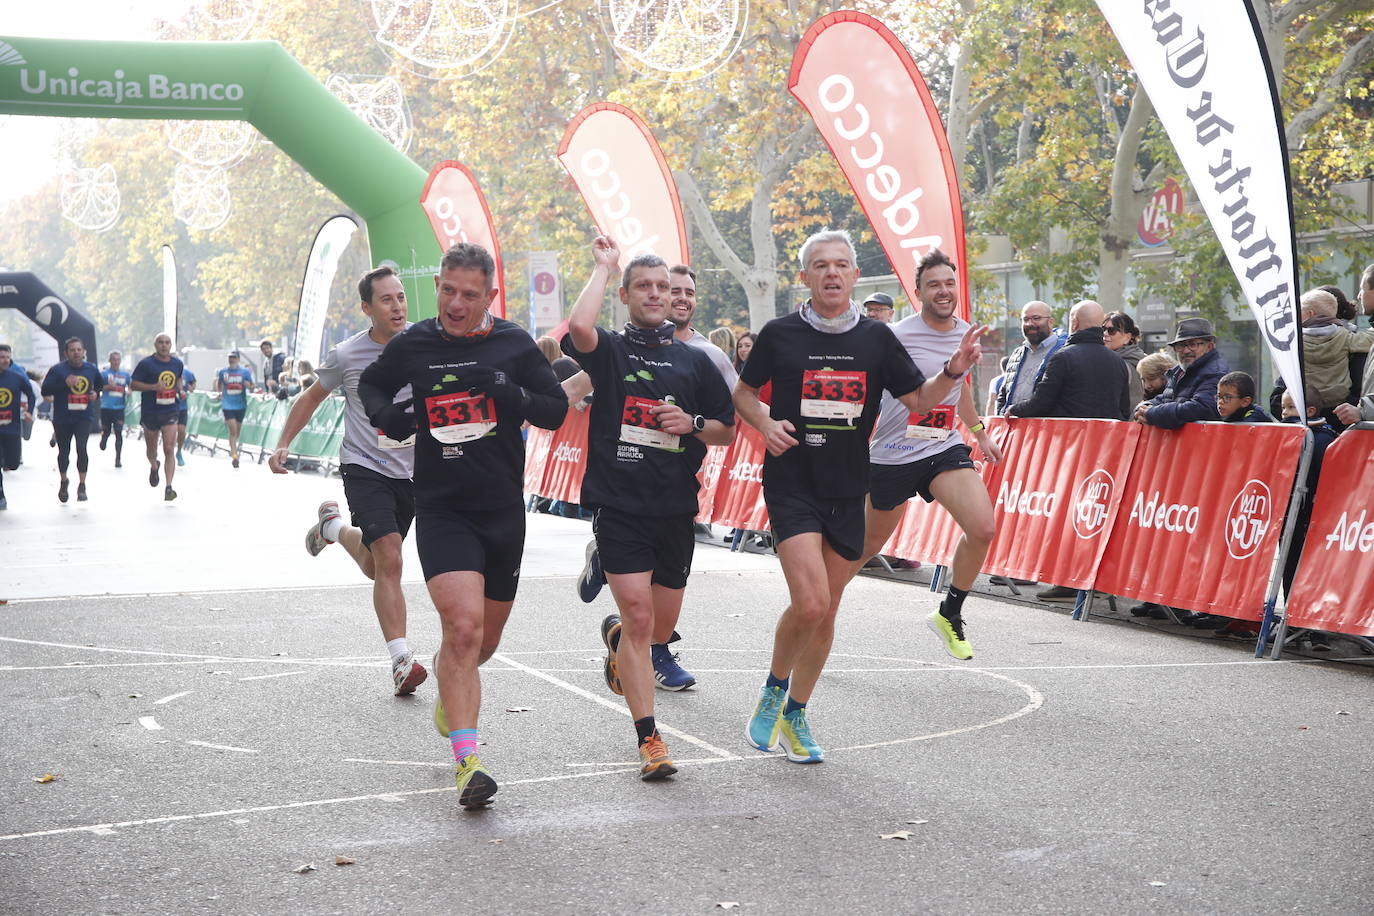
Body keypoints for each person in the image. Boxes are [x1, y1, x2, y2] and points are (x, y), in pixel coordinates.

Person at [734, 229, 986, 763]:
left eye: (842, 265)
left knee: (825, 613)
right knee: (813, 601)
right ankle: (774, 689)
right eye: (820, 265)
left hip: (850, 487)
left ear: (854, 275)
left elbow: (918, 400)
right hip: (793, 482)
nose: (831, 273)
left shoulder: (875, 339)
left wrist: (954, 372)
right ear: (804, 277)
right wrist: (763, 422)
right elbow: (743, 392)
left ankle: (797, 713)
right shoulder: (779, 334)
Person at [358, 242, 567, 809]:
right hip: (443, 508)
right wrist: (387, 414)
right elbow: (372, 385)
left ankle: (453, 698)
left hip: (501, 511)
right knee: (463, 629)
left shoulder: (515, 343)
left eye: (468, 295)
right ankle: (467, 762)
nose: (454, 303)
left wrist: (508, 391)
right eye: (447, 290)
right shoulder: (416, 343)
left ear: (489, 297)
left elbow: (554, 410)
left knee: (485, 642)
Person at [563, 236, 736, 779]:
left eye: (664, 287)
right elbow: (577, 330)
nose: (657, 294)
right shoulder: (612, 351)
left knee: (657, 628)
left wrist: (694, 425)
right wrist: (602, 267)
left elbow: (727, 430)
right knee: (641, 618)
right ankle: (650, 738)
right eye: (645, 286)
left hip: (675, 508)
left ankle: (617, 639)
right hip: (620, 503)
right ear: (627, 295)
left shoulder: (696, 360)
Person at [270, 266, 425, 698]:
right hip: (365, 465)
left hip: (414, 469)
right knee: (390, 558)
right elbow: (311, 397)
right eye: (386, 300)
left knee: (378, 566)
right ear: (366, 308)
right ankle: (401, 660)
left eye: (400, 297)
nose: (397, 306)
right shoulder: (347, 354)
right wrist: (283, 442)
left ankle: (332, 529)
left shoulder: (425, 342)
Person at [858, 248, 1003, 649]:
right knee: (867, 546)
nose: (943, 290)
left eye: (949, 283)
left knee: (983, 528)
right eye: (933, 284)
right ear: (918, 292)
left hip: (942, 447)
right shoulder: (896, 336)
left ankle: (950, 612)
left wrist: (979, 433)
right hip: (892, 452)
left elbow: (960, 390)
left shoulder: (965, 333)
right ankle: (820, 608)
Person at [1006, 300, 1131, 421]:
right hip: (1107, 439)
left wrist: (1015, 409)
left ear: (1075, 322)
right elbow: (1124, 410)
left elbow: (1042, 402)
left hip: (1068, 437)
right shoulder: (1118, 362)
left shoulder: (1062, 357)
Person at [1132, 318, 1228, 428]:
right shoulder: (1179, 371)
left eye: (1192, 344)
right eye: (1181, 345)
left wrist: (1153, 412)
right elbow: (1165, 398)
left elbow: (1202, 408)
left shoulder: (1215, 372)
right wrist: (1144, 407)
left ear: (1209, 346)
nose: (1186, 351)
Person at [41, 337, 103, 503]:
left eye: (79, 349)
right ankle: (64, 480)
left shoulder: (91, 369)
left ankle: (82, 485)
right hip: (63, 417)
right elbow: (45, 390)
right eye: (72, 350)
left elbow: (99, 384)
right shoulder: (57, 370)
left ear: (83, 352)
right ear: (66, 353)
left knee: (82, 448)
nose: (76, 353)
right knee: (64, 451)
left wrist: (96, 394)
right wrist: (64, 383)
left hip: (84, 415)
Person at [130, 333, 184, 501]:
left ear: (171, 345)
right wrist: (154, 386)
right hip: (151, 412)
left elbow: (178, 378)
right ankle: (154, 465)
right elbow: (133, 384)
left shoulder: (177, 363)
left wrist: (181, 390)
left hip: (171, 410)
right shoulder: (146, 364)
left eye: (167, 342)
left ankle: (169, 487)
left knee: (169, 448)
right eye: (160, 342)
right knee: (151, 450)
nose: (164, 345)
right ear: (155, 345)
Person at [996, 300, 1065, 413]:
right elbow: (1003, 393)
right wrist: (1001, 414)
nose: (1030, 324)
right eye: (1025, 319)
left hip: (1046, 427)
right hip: (1013, 427)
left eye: (1036, 318)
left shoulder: (1062, 351)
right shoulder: (1017, 354)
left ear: (1051, 322)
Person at [0, 344, 37, 509]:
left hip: (12, 427)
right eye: (1, 357)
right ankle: (1, 495)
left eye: (7, 357)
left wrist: (29, 411)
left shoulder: (16, 377)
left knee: (13, 463)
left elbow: (31, 393)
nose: (5, 360)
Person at [214, 350, 254, 468]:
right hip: (227, 404)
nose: (231, 359)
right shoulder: (223, 371)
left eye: (234, 357)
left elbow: (252, 385)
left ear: (238, 359)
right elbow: (219, 383)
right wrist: (220, 393)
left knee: (237, 431)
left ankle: (233, 449)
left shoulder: (244, 372)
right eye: (230, 357)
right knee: (233, 430)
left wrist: (248, 385)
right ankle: (235, 455)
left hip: (241, 404)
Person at [1103, 311, 1146, 406]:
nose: (1105, 333)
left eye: (1112, 330)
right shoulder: (1110, 358)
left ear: (1127, 337)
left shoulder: (1130, 363)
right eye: (1103, 329)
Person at [98, 350, 130, 467]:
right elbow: (98, 388)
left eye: (118, 360)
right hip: (106, 407)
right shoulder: (104, 374)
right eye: (114, 360)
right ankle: (104, 439)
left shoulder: (125, 374)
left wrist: (129, 391)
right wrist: (108, 387)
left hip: (119, 408)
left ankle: (118, 459)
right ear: (109, 361)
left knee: (118, 432)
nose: (116, 362)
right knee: (106, 431)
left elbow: (130, 386)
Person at [175, 360, 196, 466]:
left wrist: (189, 387)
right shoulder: (168, 371)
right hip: (170, 407)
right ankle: (169, 452)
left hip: (182, 407)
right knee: (171, 431)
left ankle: (179, 451)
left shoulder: (187, 373)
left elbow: (193, 386)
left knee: (181, 431)